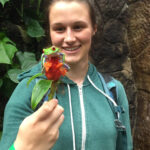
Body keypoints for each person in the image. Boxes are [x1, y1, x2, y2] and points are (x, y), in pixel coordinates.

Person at [0, 0, 133, 150]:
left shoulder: (113, 91)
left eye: (78, 27)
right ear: (50, 32)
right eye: (59, 29)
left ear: (94, 28)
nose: (69, 38)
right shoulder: (29, 89)